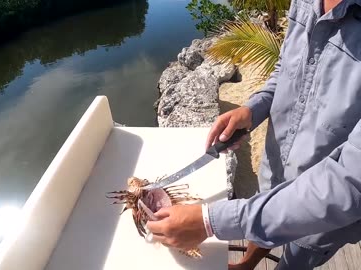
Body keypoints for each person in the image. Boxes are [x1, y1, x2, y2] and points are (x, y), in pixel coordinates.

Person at [146, 0, 361, 269]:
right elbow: (287, 67)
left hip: (324, 208)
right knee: (263, 211)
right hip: (278, 161)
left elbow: (349, 183)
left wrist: (209, 222)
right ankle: (248, 264)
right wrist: (252, 109)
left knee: (299, 257)